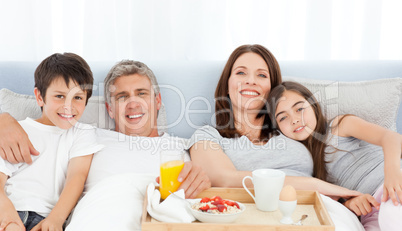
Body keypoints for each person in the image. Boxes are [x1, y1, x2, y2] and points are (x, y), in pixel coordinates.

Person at [0, 60, 210, 230]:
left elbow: (212, 186)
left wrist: (203, 180)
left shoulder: (185, 147)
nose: (133, 103)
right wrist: (4, 120)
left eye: (142, 93)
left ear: (157, 101)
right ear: (109, 108)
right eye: (122, 96)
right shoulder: (87, 136)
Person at [189, 44, 361, 198]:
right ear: (227, 85)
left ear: (272, 89)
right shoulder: (208, 136)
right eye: (241, 73)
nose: (250, 80)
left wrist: (345, 201)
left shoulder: (290, 127)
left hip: (318, 207)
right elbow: (224, 180)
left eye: (262, 75)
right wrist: (316, 186)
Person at [268, 81, 402, 230]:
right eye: (282, 118)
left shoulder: (339, 126)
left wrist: (393, 172)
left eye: (299, 109)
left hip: (393, 186)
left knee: (392, 215)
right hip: (372, 210)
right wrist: (350, 204)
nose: (294, 119)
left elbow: (391, 138)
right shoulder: (304, 166)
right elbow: (336, 202)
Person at [0, 53, 104, 231]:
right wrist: (7, 215)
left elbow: (76, 177)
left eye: (77, 97)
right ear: (40, 97)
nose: (68, 106)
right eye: (59, 96)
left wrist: (56, 219)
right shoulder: (17, 130)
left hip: (45, 218)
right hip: (8, 211)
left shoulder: (83, 134)